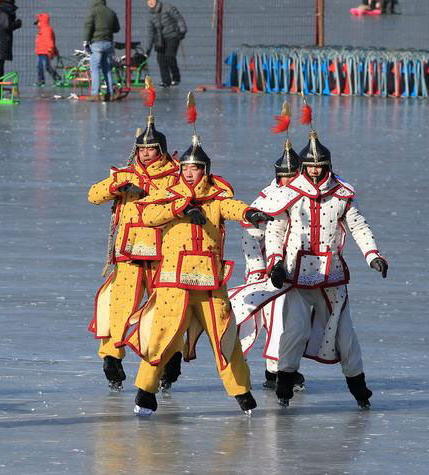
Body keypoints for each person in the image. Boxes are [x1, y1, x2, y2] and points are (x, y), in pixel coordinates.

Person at [124, 96, 271, 416]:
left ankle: (241, 392)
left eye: (195, 168)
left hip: (209, 282)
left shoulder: (216, 197)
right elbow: (148, 215)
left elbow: (231, 207)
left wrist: (250, 213)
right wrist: (179, 209)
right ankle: (145, 392)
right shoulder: (169, 194)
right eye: (186, 168)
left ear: (205, 170)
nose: (190, 173)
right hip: (173, 281)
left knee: (224, 336)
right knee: (161, 336)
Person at [263, 112, 387, 409]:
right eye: (311, 166)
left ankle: (359, 388)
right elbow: (275, 229)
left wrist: (373, 255)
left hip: (332, 275)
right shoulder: (290, 193)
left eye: (320, 165)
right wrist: (275, 262)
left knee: (345, 335)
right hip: (296, 273)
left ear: (328, 165)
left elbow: (358, 226)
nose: (316, 170)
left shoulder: (342, 194)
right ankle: (284, 385)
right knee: (295, 330)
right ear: (304, 167)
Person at [87, 100, 181, 391]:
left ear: (161, 150)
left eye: (150, 149)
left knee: (165, 310)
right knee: (119, 306)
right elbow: (93, 195)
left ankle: (169, 358)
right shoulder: (126, 174)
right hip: (128, 253)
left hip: (163, 256)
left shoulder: (176, 176)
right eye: (141, 149)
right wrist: (116, 187)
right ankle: (112, 356)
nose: (145, 154)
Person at [231, 108, 306, 392]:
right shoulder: (267, 198)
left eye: (293, 175)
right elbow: (250, 235)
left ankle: (285, 368)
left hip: (300, 270)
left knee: (295, 324)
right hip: (270, 271)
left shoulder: (309, 196)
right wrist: (257, 269)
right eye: (284, 175)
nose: (288, 181)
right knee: (275, 321)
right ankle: (275, 371)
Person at [145, 0, 187, 88]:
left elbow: (179, 18)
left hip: (173, 36)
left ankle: (176, 77)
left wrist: (182, 31)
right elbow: (151, 34)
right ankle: (165, 81)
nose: (151, 2)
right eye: (148, 0)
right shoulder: (150, 16)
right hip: (160, 39)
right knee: (160, 59)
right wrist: (147, 50)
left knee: (170, 56)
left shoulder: (167, 8)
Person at [83, 0, 120, 101]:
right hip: (108, 43)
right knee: (107, 68)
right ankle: (110, 93)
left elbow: (88, 27)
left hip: (96, 43)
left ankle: (95, 94)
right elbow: (117, 28)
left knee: (95, 69)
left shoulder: (93, 11)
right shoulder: (111, 12)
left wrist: (85, 42)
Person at [34, 12, 60, 86]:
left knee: (46, 67)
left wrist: (50, 49)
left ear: (41, 21)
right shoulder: (43, 29)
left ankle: (57, 78)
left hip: (45, 51)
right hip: (41, 51)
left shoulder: (46, 29)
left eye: (38, 22)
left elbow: (49, 40)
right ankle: (41, 80)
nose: (37, 24)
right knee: (41, 66)